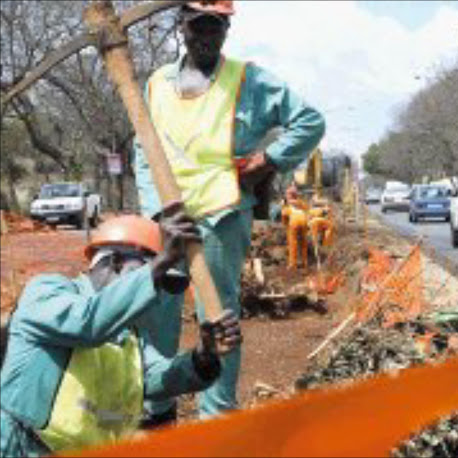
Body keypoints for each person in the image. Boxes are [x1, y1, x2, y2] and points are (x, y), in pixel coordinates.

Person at [133, 0, 325, 419]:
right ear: (181, 25)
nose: (206, 35)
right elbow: (143, 150)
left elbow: (310, 121)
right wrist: (157, 210)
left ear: (227, 29)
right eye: (198, 25)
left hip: (220, 216)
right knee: (157, 312)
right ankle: (156, 405)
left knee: (219, 320)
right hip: (166, 219)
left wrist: (270, 160)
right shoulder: (157, 84)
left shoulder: (249, 81)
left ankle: (216, 415)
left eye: (215, 26)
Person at [0, 201, 242, 457]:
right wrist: (161, 263)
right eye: (153, 278)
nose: (156, 295)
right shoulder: (47, 291)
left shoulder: (130, 335)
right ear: (114, 262)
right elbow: (87, 324)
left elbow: (156, 378)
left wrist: (202, 358)